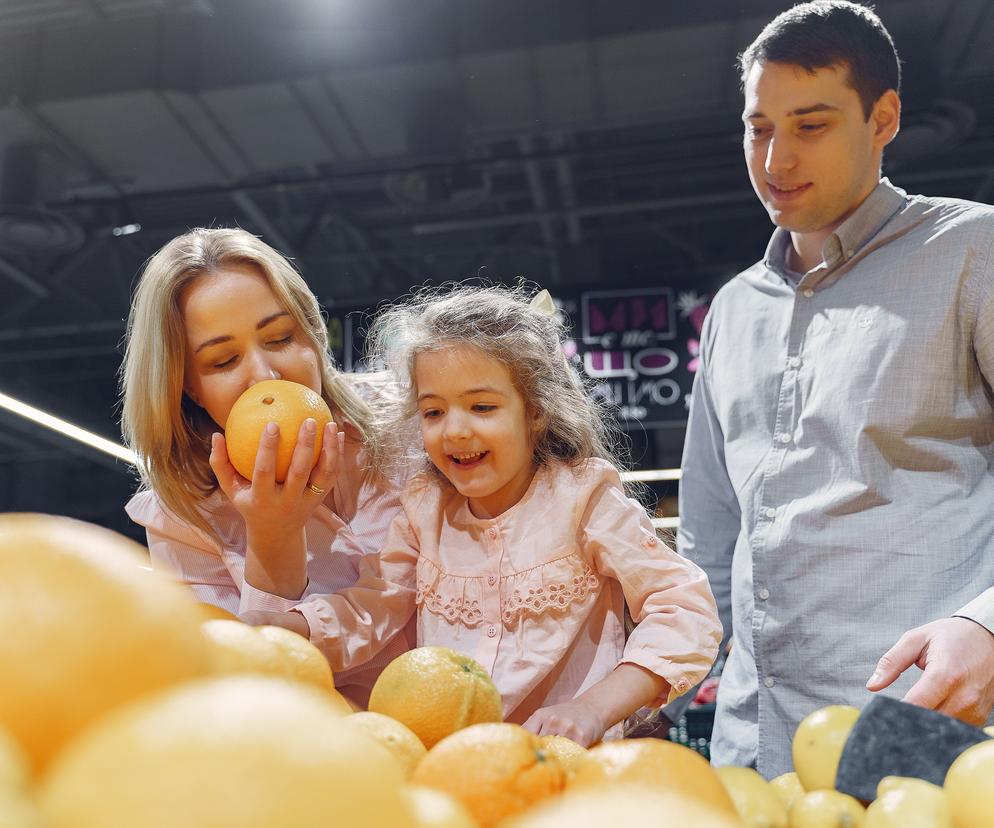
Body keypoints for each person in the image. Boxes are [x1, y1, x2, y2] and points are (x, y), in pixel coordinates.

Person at [678, 0, 994, 777]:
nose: (776, 159)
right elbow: (712, 529)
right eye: (759, 128)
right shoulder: (731, 311)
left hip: (923, 726)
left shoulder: (973, 254)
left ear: (883, 117)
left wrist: (990, 626)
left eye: (810, 124)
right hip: (752, 742)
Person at [268, 284, 721, 746]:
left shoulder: (584, 498)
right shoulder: (424, 509)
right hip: (456, 768)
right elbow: (374, 605)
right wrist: (296, 626)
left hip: (571, 770)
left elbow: (685, 609)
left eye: (482, 407)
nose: (456, 430)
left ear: (537, 411)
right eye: (433, 412)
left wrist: (594, 707)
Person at [120, 227, 412, 707]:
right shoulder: (182, 518)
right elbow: (241, 688)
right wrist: (273, 536)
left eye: (280, 337)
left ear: (313, 333)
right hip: (337, 754)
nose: (265, 374)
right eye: (223, 360)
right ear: (186, 387)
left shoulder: (414, 416)